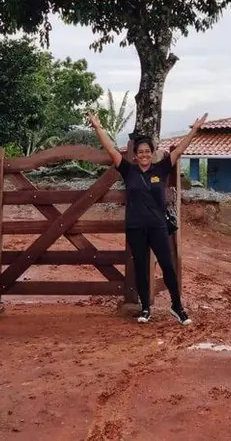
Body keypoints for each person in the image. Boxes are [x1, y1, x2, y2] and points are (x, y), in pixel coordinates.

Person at [86, 112, 208, 325]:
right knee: (141, 267)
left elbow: (179, 150)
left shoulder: (161, 169)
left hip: (158, 226)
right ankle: (145, 308)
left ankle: (177, 306)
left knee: (167, 266)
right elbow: (111, 150)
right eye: (140, 151)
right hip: (135, 227)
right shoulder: (128, 171)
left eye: (147, 151)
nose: (143, 154)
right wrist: (98, 127)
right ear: (135, 155)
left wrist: (194, 130)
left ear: (152, 154)